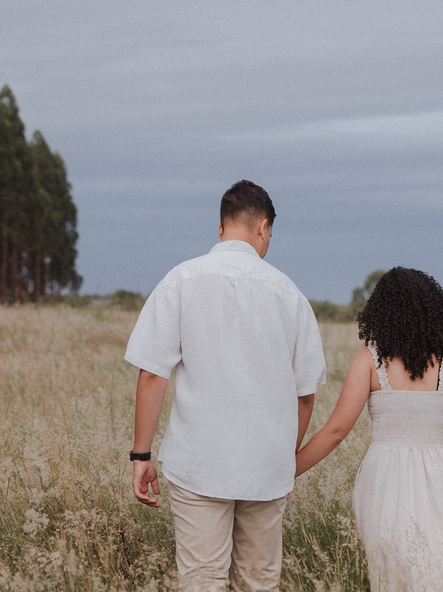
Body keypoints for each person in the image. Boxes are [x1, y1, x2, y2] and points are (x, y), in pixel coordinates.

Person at [125, 179, 327, 592]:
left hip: (199, 462)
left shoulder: (181, 279)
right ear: (264, 228)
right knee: (259, 583)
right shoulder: (290, 294)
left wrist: (141, 454)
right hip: (267, 469)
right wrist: (284, 462)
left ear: (220, 229)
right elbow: (305, 395)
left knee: (202, 581)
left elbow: (151, 374)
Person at [293, 266, 443, 592]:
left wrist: (287, 472)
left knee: (392, 575)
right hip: (441, 476)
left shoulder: (369, 360)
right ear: (434, 308)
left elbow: (335, 431)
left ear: (381, 311)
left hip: (384, 480)